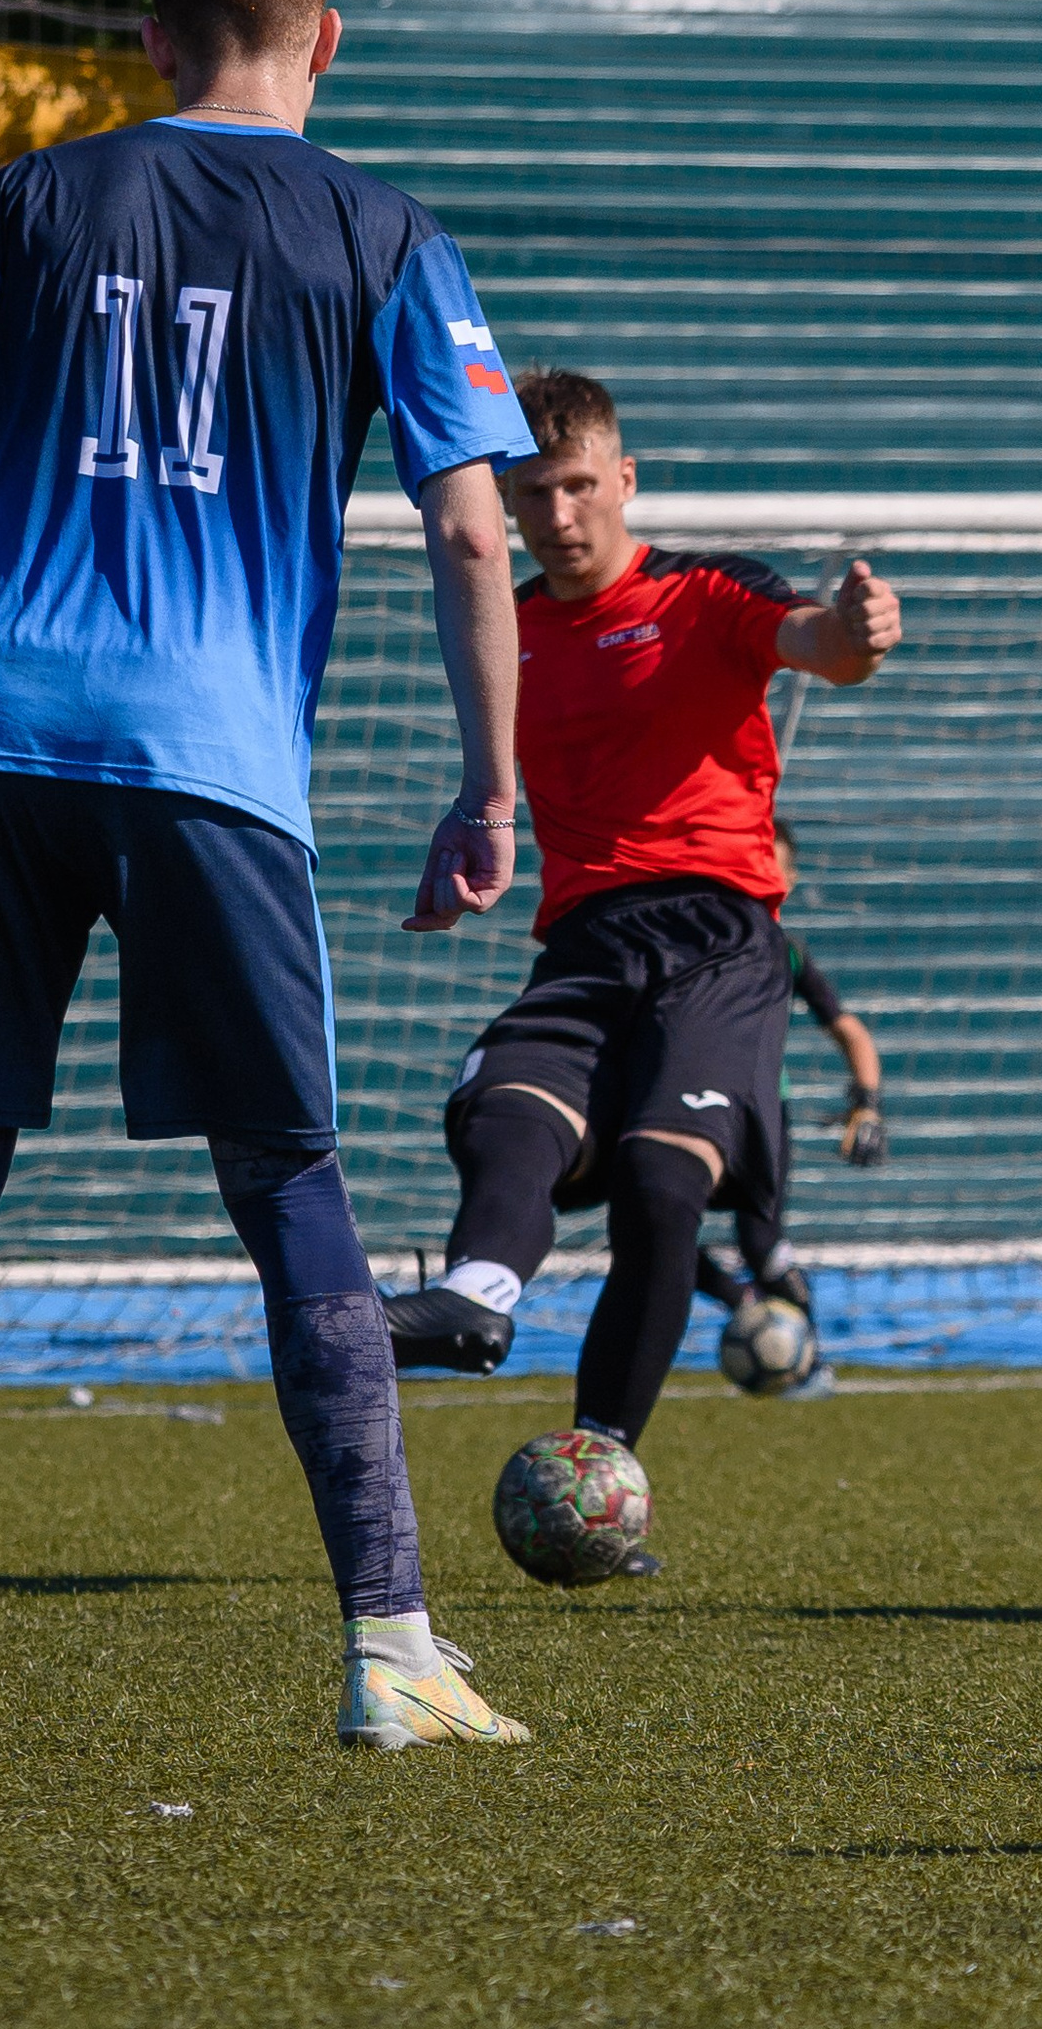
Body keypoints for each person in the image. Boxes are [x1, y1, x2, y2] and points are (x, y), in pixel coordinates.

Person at [0, 0, 540, 1757]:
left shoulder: (35, 195)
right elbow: (476, 526)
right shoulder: (386, 230)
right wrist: (492, 780)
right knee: (293, 1193)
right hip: (211, 763)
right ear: (326, 39)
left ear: (155, 40)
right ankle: (393, 1647)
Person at [382, 369, 900, 1558]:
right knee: (503, 1107)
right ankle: (478, 1299)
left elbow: (816, 643)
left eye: (575, 486)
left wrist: (858, 637)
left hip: (719, 937)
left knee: (666, 1194)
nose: (557, 514)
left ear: (623, 480)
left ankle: (604, 1453)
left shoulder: (705, 592)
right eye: (529, 495)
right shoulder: (502, 633)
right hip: (584, 939)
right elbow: (491, 790)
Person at [693, 818, 887, 1349]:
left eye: (775, 869)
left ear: (790, 879)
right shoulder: (693, 943)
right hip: (686, 1107)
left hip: (761, 1119)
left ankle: (803, 1353)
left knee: (762, 1244)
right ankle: (747, 1308)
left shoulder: (787, 951)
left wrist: (867, 1104)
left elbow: (848, 1030)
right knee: (652, 1227)